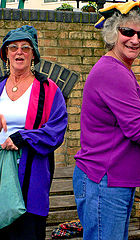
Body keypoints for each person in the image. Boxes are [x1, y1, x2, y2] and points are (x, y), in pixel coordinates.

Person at [73, 1, 140, 239]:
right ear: (113, 32)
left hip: (110, 180)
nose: (134, 39)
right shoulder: (113, 72)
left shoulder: (117, 69)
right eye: (127, 31)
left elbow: (129, 122)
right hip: (104, 181)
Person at [0, 25, 68, 239]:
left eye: (25, 48)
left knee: (27, 232)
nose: (19, 52)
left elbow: (56, 130)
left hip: (31, 177)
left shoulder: (48, 89)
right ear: (6, 54)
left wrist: (22, 137)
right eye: (13, 47)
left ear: (33, 54)